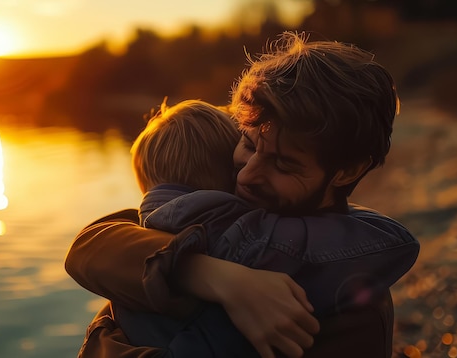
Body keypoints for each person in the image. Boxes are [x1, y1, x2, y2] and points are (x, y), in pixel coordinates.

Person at [65, 31, 420, 357]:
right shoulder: (205, 220)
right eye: (248, 144)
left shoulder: (353, 309)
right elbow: (90, 247)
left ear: (349, 170)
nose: (247, 175)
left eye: (283, 164)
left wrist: (102, 338)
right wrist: (218, 278)